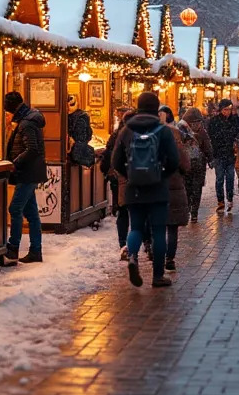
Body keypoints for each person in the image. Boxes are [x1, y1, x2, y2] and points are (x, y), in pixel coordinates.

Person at [112, 91, 180, 288]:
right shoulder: (164, 131)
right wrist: (161, 174)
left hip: (134, 189)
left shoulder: (126, 130)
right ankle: (158, 276)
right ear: (156, 108)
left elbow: (116, 161)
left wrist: (131, 174)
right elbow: (174, 161)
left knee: (136, 228)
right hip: (157, 189)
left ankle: (133, 257)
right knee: (159, 231)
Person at [1, 91, 47, 265]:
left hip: (28, 172)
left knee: (15, 209)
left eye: (7, 110)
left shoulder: (26, 123)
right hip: (29, 172)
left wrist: (15, 162)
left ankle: (13, 248)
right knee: (31, 212)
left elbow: (32, 149)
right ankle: (36, 250)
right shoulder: (26, 120)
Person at [158, 105, 192, 271]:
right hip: (175, 189)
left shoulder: (152, 145)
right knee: (172, 227)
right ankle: (169, 259)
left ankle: (157, 255)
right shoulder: (177, 148)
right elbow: (186, 166)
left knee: (158, 226)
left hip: (156, 189)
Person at [101, 108, 135, 259]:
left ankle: (123, 244)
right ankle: (139, 244)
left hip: (121, 179)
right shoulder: (142, 134)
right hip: (139, 180)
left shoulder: (118, 135)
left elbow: (110, 155)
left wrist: (117, 173)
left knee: (123, 211)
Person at [207, 98, 239, 215]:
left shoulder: (234, 120)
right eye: (225, 109)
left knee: (231, 178)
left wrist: (235, 115)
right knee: (219, 179)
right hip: (219, 155)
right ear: (221, 110)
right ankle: (221, 201)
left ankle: (230, 198)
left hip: (230, 155)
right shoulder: (214, 121)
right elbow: (212, 137)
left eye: (229, 109)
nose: (227, 112)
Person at [181, 107, 213, 222]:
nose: (197, 125)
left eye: (198, 122)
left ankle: (193, 212)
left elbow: (207, 147)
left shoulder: (201, 132)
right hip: (188, 166)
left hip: (197, 166)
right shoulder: (182, 131)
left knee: (196, 189)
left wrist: (210, 158)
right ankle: (190, 210)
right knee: (189, 189)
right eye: (195, 122)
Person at [66, 95, 95, 166]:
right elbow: (87, 136)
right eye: (68, 105)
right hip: (75, 153)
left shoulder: (80, 117)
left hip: (71, 153)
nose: (69, 107)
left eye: (72, 104)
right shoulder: (82, 116)